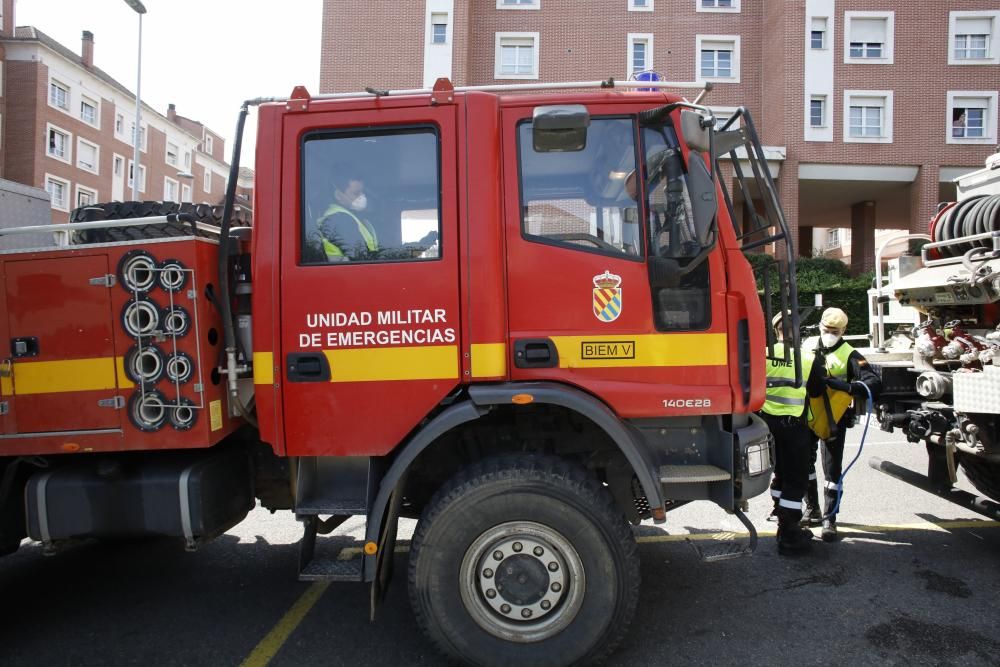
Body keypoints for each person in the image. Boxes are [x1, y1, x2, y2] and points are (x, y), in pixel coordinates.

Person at [803, 307, 882, 542]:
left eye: (835, 331)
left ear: (843, 331)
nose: (830, 334)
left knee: (832, 470)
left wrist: (845, 386)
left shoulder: (850, 354)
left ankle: (830, 518)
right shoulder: (806, 346)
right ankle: (812, 509)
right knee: (804, 465)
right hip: (806, 417)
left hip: (834, 419)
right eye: (827, 330)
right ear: (819, 326)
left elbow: (873, 383)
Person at [760, 313, 827, 555]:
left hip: (766, 425)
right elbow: (818, 390)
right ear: (797, 331)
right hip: (794, 427)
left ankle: (780, 514)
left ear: (775, 330)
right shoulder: (808, 357)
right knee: (797, 479)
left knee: (779, 475)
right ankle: (789, 534)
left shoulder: (763, 354)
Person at [315, 172, 379, 261]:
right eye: (356, 193)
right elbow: (359, 255)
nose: (363, 197)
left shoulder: (352, 217)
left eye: (362, 192)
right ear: (338, 195)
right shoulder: (338, 219)